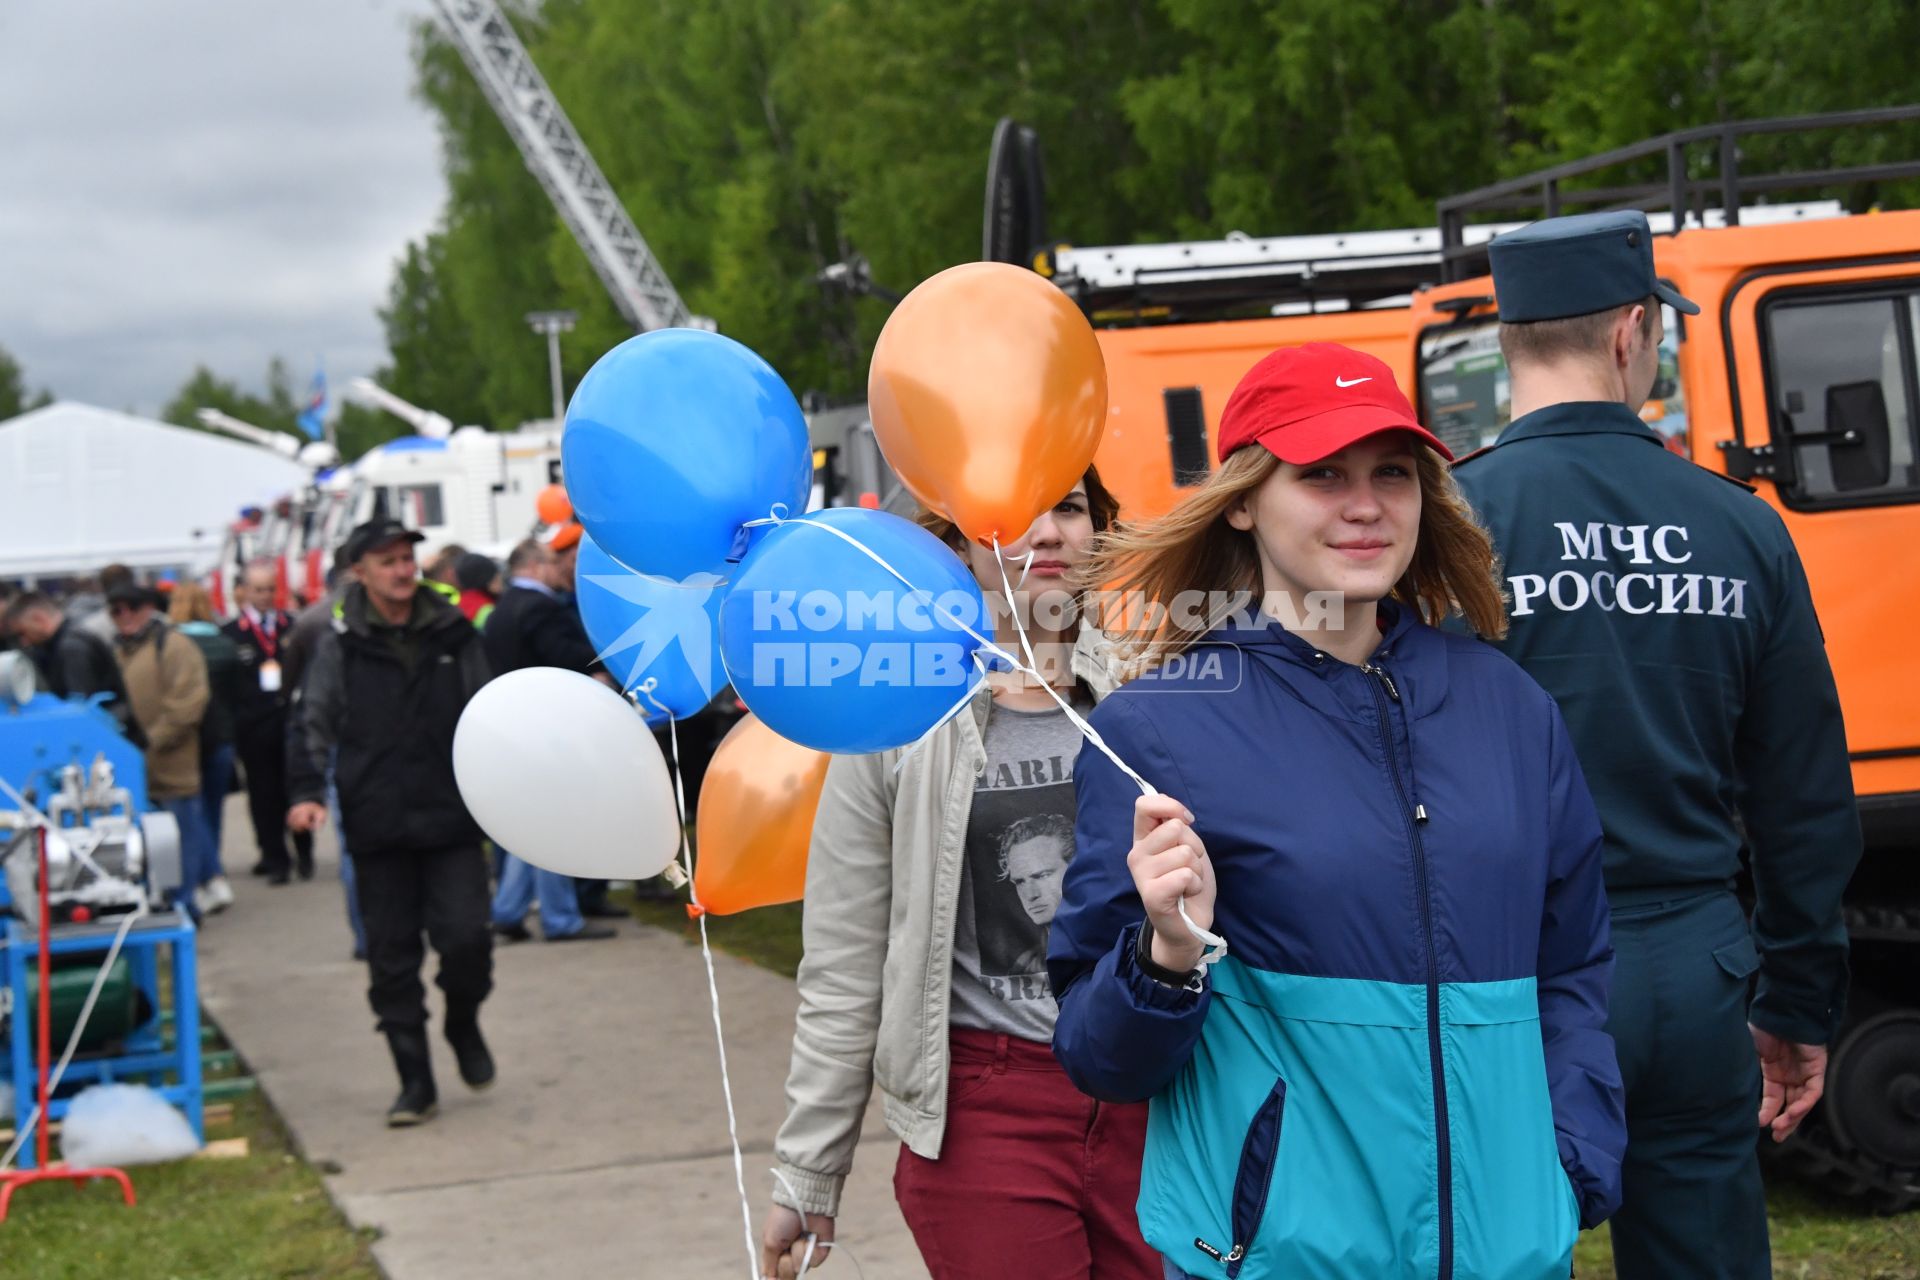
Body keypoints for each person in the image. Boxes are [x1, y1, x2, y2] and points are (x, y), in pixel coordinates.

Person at [1049, 344, 1624, 1280]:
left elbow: (1574, 968)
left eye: (1392, 473)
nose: (1366, 505)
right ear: (1242, 498)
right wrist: (1164, 958)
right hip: (1281, 1260)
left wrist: (1569, 1162)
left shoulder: (1511, 708)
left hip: (1514, 1252)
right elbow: (1099, 1059)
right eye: (1322, 475)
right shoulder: (1156, 731)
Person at [1451, 211, 1863, 1280]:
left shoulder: (1445, 520)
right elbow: (1805, 794)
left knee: (1489, 1242)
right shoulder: (1739, 524)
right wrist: (1799, 999)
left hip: (1507, 961)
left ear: (1510, 338)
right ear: (1634, 331)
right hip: (1691, 960)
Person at [762, 468, 1164, 1280]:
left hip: (1154, 1092)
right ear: (953, 541)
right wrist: (809, 1171)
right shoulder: (893, 717)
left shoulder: (1153, 687)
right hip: (987, 1110)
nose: (1048, 533)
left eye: (1072, 508)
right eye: (1014, 515)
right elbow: (844, 963)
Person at [286, 518, 497, 1126]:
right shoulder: (339, 641)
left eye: (407, 558)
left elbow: (491, 710)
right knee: (391, 960)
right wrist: (306, 791)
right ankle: (415, 1081)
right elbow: (311, 723)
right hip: (377, 823)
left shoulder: (455, 632)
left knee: (466, 941)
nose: (403, 570)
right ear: (360, 572)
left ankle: (463, 1021)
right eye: (387, 561)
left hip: (453, 816)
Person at [481, 538, 616, 943]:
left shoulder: (501, 610)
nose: (559, 569)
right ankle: (559, 917)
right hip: (549, 728)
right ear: (537, 565)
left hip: (516, 729)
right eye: (552, 562)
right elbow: (563, 654)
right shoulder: (540, 608)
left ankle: (508, 909)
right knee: (553, 823)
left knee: (534, 824)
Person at [110, 583, 215, 916]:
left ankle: (185, 906)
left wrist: (152, 742)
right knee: (152, 847)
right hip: (135, 772)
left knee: (181, 839)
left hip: (172, 767)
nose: (125, 616)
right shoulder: (118, 650)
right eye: (116, 610)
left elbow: (189, 704)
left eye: (133, 607)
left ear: (149, 608)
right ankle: (167, 903)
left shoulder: (173, 644)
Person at [224, 558, 314, 885]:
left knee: (297, 788)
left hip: (290, 724)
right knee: (264, 796)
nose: (265, 596)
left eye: (270, 589)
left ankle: (304, 851)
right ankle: (275, 858)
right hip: (255, 729)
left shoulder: (293, 626)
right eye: (258, 589)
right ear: (245, 591)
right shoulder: (232, 634)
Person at [169, 581, 244, 915]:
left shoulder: (172, 647)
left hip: (187, 742)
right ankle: (212, 872)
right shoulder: (224, 645)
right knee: (212, 810)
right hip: (222, 739)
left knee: (191, 812)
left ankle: (206, 876)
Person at [4, 590, 144, 744]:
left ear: (40, 619)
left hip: (109, 740)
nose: (24, 642)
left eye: (23, 632)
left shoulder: (72, 649)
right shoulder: (72, 639)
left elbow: (80, 709)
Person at [453, 552, 501, 627]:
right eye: (495, 577)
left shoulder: (458, 604)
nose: (500, 581)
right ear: (487, 581)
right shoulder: (490, 612)